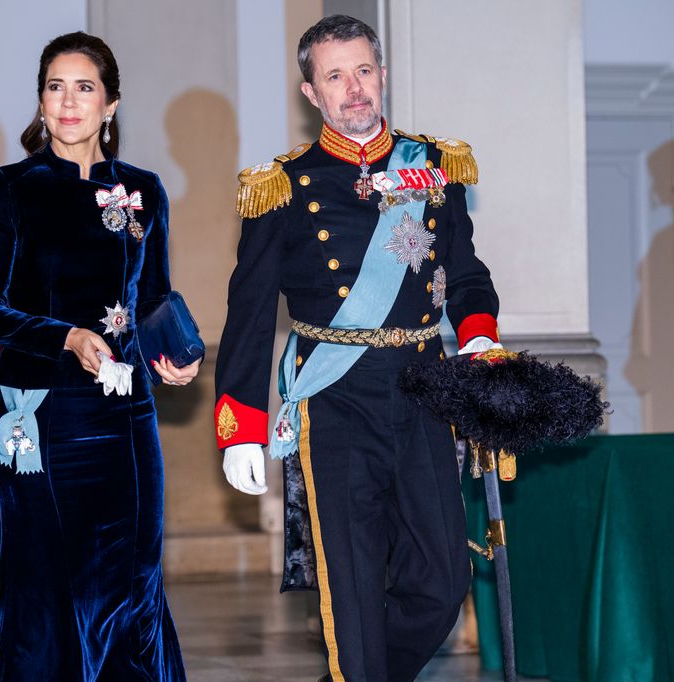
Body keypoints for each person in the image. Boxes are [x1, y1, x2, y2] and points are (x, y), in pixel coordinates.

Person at [215, 15, 502, 682]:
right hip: (335, 401)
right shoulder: (282, 188)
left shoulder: (434, 168)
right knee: (351, 587)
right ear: (310, 92)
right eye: (335, 75)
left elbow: (465, 274)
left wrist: (479, 331)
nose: (354, 89)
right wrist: (239, 430)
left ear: (381, 73)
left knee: (442, 578)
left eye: (363, 70)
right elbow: (250, 318)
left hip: (427, 391)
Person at [0, 32, 197, 681]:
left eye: (84, 86)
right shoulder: (11, 188)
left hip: (125, 418)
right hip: (39, 415)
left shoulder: (144, 190)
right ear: (40, 101)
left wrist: (176, 352)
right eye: (55, 86)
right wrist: (64, 337)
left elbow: (153, 299)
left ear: (111, 102)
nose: (68, 102)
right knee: (45, 587)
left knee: (133, 576)